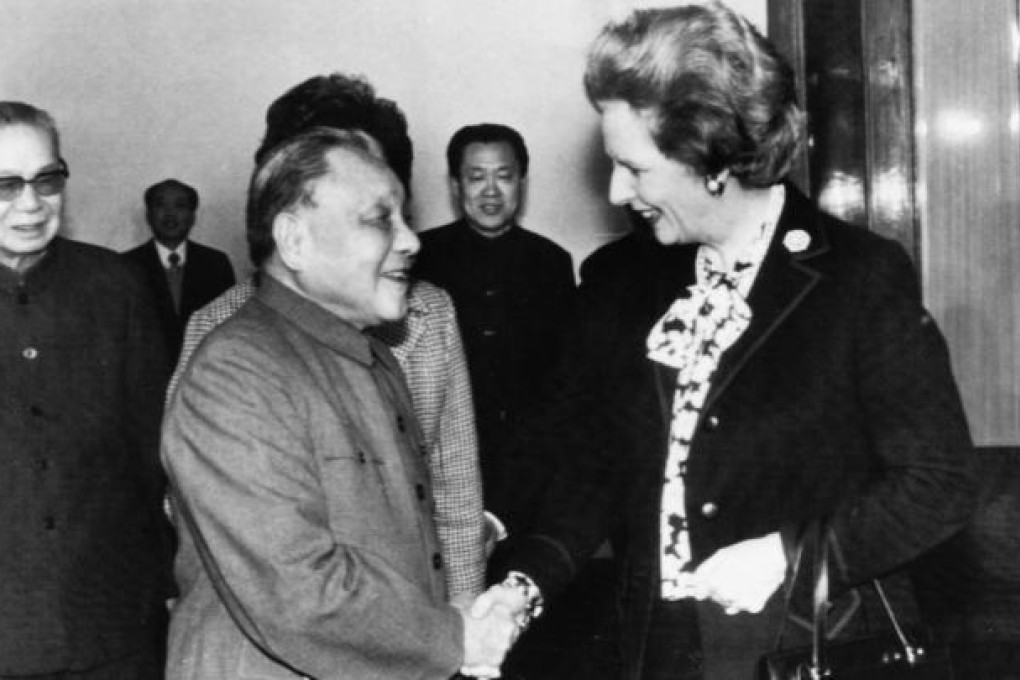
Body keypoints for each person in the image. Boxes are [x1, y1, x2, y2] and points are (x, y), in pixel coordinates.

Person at [477, 4, 978, 679]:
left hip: (803, 646)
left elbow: (939, 484)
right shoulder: (620, 281)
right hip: (655, 647)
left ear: (710, 159)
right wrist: (522, 588)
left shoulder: (856, 278)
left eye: (637, 168)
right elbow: (593, 468)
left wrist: (788, 556)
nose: (618, 189)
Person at [163, 128, 519, 679]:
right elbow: (297, 589)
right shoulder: (235, 372)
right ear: (295, 241)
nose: (411, 241)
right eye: (380, 219)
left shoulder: (373, 357)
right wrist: (457, 638)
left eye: (405, 218)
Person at [0, 101, 171, 678]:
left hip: (109, 624)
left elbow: (155, 453)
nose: (31, 203)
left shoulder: (113, 285)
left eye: (47, 180)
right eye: (4, 185)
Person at [413, 123, 576, 544]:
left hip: (529, 471)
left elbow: (562, 385)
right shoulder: (419, 256)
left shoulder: (552, 262)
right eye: (476, 177)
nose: (490, 191)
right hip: (439, 462)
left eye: (503, 176)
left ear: (521, 181)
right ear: (455, 185)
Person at [123, 178, 235, 365]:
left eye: (180, 206)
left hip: (204, 371)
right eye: (160, 205)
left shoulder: (216, 263)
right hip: (147, 374)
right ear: (149, 215)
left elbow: (229, 327)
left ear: (192, 217)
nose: (170, 214)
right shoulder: (126, 265)